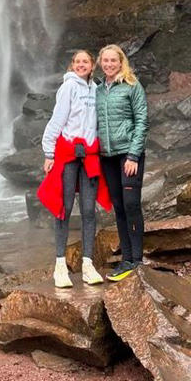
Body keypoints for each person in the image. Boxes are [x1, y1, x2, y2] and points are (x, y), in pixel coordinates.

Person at [37, 50, 112, 288]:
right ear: (73, 65)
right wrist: (49, 152)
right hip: (69, 154)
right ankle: (60, 265)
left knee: (89, 211)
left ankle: (87, 264)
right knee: (64, 208)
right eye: (77, 62)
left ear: (92, 66)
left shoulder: (96, 89)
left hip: (89, 155)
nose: (81, 65)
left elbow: (100, 122)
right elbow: (57, 119)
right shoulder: (68, 87)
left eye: (86, 62)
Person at [95, 43, 148, 281]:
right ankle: (126, 258)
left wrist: (134, 156)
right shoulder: (97, 90)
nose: (108, 64)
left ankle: (137, 259)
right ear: (100, 63)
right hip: (107, 156)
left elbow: (142, 121)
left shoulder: (132, 86)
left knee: (131, 204)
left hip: (128, 155)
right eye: (105, 61)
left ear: (121, 62)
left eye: (112, 61)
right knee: (118, 206)